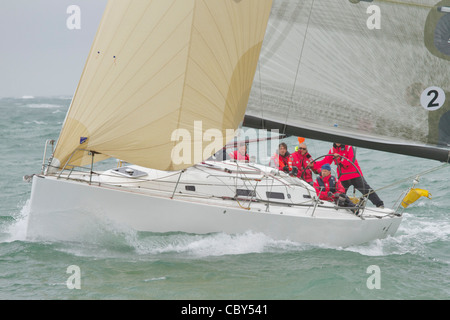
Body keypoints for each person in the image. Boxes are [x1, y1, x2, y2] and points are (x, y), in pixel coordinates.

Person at [316, 143, 384, 208]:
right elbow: (325, 161)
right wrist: (313, 164)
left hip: (355, 175)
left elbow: (350, 162)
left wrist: (339, 158)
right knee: (339, 195)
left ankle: (380, 205)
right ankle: (347, 207)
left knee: (366, 190)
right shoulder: (332, 150)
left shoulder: (349, 147)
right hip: (343, 178)